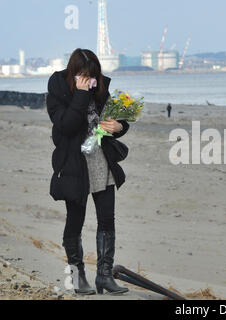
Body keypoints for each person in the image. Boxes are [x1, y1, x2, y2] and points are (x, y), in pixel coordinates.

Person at [46, 48, 130, 295]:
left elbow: (117, 118)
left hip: (101, 161)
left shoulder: (99, 87)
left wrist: (120, 126)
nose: (90, 81)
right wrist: (81, 94)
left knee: (107, 220)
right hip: (74, 165)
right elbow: (66, 125)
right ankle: (77, 275)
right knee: (75, 221)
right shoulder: (58, 89)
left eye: (93, 76)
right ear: (73, 73)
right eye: (84, 76)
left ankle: (104, 276)